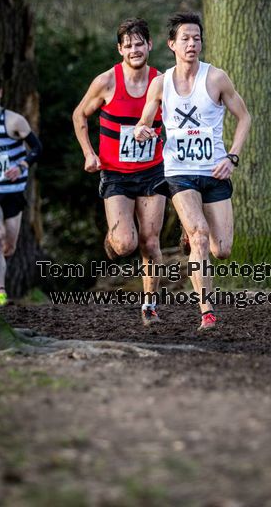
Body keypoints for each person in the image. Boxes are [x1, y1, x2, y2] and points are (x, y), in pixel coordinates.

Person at [135, 12, 251, 330]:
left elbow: (245, 117)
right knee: (200, 237)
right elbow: (144, 122)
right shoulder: (161, 83)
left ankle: (190, 231)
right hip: (179, 171)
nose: (192, 43)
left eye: (196, 38)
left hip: (214, 171)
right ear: (172, 44)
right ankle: (207, 312)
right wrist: (141, 130)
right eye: (185, 38)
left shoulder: (216, 78)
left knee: (222, 249)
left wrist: (233, 157)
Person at [72, 18, 165, 326]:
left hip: (153, 172)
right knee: (126, 244)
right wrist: (89, 153)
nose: (135, 50)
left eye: (140, 44)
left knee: (151, 243)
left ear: (150, 45)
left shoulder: (163, 81)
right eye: (128, 46)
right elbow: (79, 115)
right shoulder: (107, 81)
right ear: (120, 49)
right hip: (116, 174)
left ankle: (150, 306)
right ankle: (114, 240)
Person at [0, 71, 42, 307]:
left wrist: (22, 164)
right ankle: (0, 293)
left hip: (13, 192)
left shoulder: (14, 121)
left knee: (8, 246)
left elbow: (37, 149)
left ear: (1, 93)